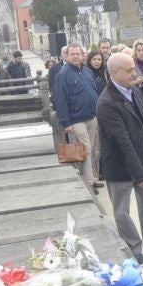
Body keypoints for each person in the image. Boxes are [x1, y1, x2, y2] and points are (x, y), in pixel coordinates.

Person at [96, 52, 143, 263]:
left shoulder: (133, 90)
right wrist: (138, 174)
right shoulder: (107, 102)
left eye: (134, 69)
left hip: (142, 159)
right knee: (122, 211)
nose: (135, 74)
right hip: (119, 165)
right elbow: (122, 141)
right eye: (129, 70)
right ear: (113, 73)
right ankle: (134, 250)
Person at [51, 44, 101, 191]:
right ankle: (89, 182)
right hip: (76, 119)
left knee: (90, 148)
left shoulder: (87, 72)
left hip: (91, 116)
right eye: (72, 54)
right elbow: (60, 99)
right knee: (86, 149)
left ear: (82, 55)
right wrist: (66, 123)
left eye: (78, 54)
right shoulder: (63, 74)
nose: (76, 56)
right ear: (66, 56)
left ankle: (91, 177)